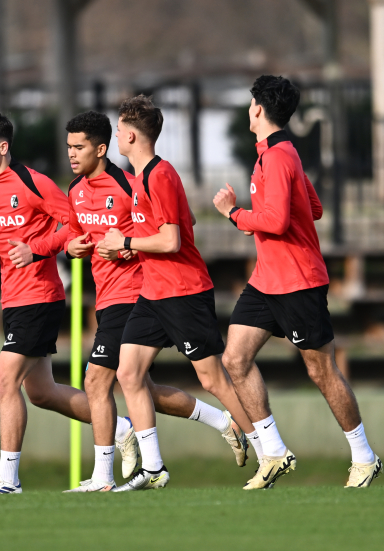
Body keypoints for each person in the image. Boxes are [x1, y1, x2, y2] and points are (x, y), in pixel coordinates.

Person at [58, 111, 253, 492]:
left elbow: (174, 226)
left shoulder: (131, 183)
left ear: (101, 148)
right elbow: (75, 235)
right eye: (68, 147)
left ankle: (104, 476)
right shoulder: (75, 190)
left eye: (78, 146)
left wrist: (130, 248)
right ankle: (222, 424)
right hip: (108, 295)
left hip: (134, 293)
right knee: (138, 385)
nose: (71, 154)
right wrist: (73, 247)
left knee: (97, 380)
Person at [212, 75, 382, 490]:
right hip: (268, 280)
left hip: (298, 282)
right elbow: (316, 208)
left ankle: (364, 457)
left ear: (258, 108)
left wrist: (234, 213)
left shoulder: (279, 156)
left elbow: (276, 220)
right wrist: (266, 212)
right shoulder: (280, 152)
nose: (247, 107)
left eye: (250, 101)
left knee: (321, 370)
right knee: (234, 359)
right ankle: (273, 452)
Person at [0, 112, 138, 495]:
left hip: (40, 297)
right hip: (12, 297)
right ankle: (120, 427)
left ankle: (8, 479)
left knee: (3, 379)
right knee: (41, 392)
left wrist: (38, 249)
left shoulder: (33, 183)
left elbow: (72, 224)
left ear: (3, 148)